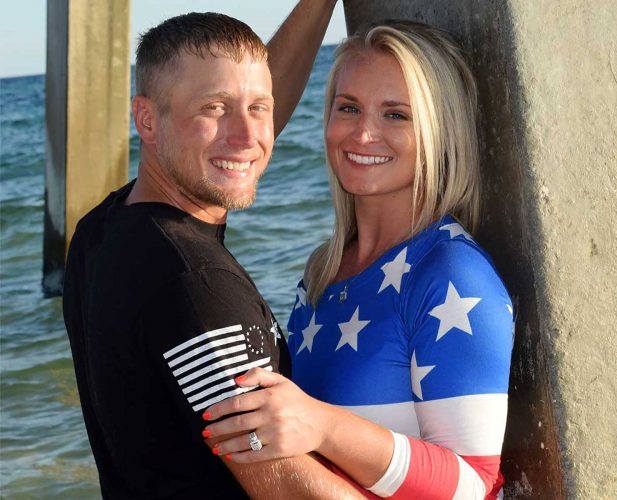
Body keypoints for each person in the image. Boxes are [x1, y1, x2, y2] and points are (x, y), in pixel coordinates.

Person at [203, 20, 514, 499]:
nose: (364, 133)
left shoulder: (451, 273)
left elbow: (473, 485)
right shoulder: (322, 270)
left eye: (396, 115)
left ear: (440, 131)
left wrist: (322, 425)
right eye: (348, 108)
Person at [62, 3, 364, 499]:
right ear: (147, 119)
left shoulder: (102, 230)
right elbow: (289, 489)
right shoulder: (193, 287)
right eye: (214, 108)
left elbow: (237, 139)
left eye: (259, 108)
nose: (248, 137)